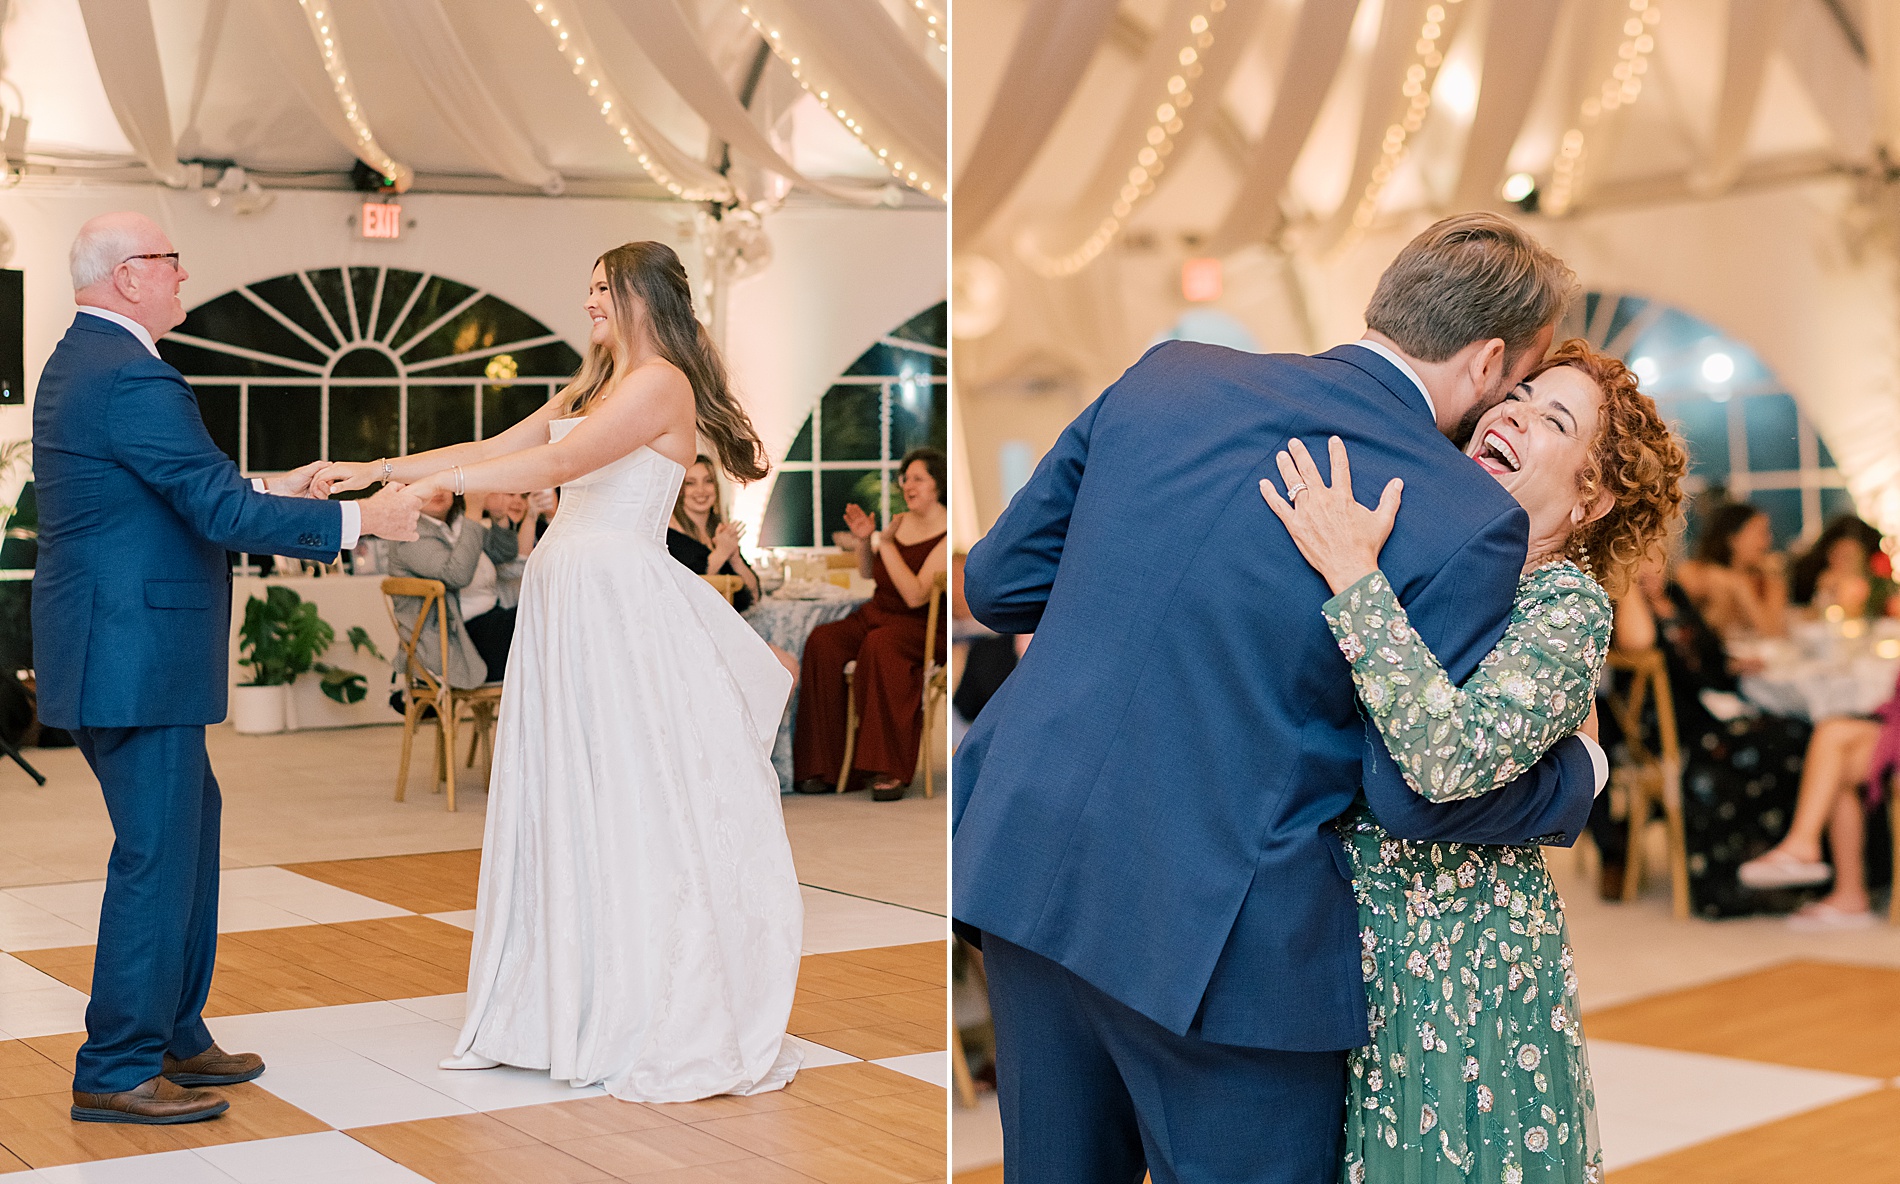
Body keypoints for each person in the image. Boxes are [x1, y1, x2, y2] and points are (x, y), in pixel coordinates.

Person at [956, 213, 1606, 1184]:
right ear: (1486, 361)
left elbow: (998, 582)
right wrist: (1577, 775)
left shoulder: (1167, 376)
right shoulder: (1461, 515)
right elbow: (1412, 793)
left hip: (1028, 858)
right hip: (1221, 937)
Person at [315, 241, 800, 1102]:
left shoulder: (661, 385)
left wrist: (433, 490)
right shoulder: (594, 384)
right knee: (566, 785)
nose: (589, 302)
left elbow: (556, 467)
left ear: (642, 296)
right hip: (567, 594)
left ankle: (637, 998)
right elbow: (501, 442)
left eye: (602, 289)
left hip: (616, 596)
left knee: (626, 783)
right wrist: (385, 470)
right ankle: (561, 998)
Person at [1261, 340, 1686, 1183]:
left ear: (1591, 496)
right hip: (1343, 939)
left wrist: (1352, 575)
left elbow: (1446, 758)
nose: (1516, 414)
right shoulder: (1422, 555)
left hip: (1464, 960)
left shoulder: (1564, 604)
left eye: (1554, 419)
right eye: (1517, 396)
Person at [35, 212, 420, 1125]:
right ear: (129, 276)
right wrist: (362, 521)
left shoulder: (89, 361)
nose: (182, 274)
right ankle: (117, 1066)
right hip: (135, 654)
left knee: (186, 832)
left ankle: (173, 1032)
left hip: (119, 648)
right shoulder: (132, 374)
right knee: (157, 854)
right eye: (169, 261)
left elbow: (174, 491)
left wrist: (277, 486)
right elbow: (212, 511)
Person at [1598, 552, 1812, 916]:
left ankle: (1769, 863)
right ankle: (1734, 877)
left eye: (1657, 556)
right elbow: (1640, 641)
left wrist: (1731, 664)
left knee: (1796, 731)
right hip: (1674, 733)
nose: (1653, 566)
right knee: (1785, 740)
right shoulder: (1625, 610)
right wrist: (1629, 584)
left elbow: (1706, 653)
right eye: (1642, 557)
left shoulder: (1675, 596)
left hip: (1714, 714)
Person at [791, 447, 949, 801]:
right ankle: (826, 767)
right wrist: (865, 541)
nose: (908, 485)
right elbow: (868, 572)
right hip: (877, 614)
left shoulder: (945, 532)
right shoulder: (899, 522)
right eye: (905, 478)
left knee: (880, 646)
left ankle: (887, 769)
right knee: (823, 641)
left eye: (918, 479)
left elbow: (915, 596)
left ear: (937, 484)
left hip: (919, 628)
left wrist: (886, 543)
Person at [383, 486, 520, 688]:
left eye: (444, 484)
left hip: (488, 624)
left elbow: (503, 553)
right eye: (429, 485)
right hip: (456, 644)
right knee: (533, 618)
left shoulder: (454, 525)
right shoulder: (409, 534)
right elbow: (457, 575)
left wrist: (499, 519)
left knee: (537, 614)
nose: (437, 491)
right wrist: (474, 513)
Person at [1677, 501, 1787, 637]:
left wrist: (1742, 589)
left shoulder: (1768, 580)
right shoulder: (1698, 571)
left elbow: (1773, 632)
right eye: (1761, 533)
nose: (1768, 540)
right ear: (1733, 538)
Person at [667, 455, 760, 611]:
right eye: (690, 483)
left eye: (708, 481)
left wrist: (735, 558)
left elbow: (755, 595)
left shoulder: (719, 533)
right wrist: (721, 553)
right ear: (680, 490)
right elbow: (688, 590)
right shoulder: (668, 538)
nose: (701, 490)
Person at [1789, 514, 1893, 619]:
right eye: (1837, 555)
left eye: (1849, 557)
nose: (1841, 562)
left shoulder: (1877, 590)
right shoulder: (1814, 582)